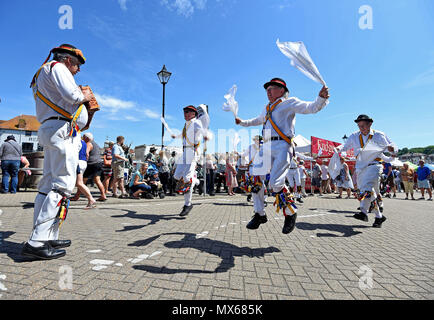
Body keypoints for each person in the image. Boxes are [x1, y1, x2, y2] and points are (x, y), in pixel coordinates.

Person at [22, 44, 93, 259]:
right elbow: (72, 96)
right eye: (78, 65)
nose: (78, 70)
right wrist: (86, 95)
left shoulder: (43, 71)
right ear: (69, 60)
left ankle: (48, 234)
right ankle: (37, 241)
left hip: (53, 128)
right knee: (62, 184)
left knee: (48, 183)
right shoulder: (58, 67)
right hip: (62, 130)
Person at [235, 77, 329, 234]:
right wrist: (242, 122)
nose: (268, 92)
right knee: (254, 178)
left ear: (282, 90)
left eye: (271, 89)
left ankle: (291, 212)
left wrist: (321, 98)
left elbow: (311, 108)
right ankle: (259, 214)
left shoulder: (289, 102)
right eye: (267, 90)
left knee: (276, 183)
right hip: (266, 146)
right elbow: (257, 120)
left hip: (282, 145)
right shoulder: (266, 108)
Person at [336, 114, 396, 228]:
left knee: (368, 188)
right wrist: (338, 148)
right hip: (360, 168)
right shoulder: (354, 136)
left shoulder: (379, 135)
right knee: (368, 192)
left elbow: (391, 146)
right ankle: (379, 216)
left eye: (363, 125)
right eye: (359, 126)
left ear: (370, 124)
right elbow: (345, 146)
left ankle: (363, 212)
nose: (361, 128)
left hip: (374, 166)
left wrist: (392, 151)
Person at [171, 105, 208, 216]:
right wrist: (176, 136)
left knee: (187, 179)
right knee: (177, 176)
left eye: (188, 112)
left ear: (193, 113)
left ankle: (188, 204)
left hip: (193, 151)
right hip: (185, 152)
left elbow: (203, 127)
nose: (185, 114)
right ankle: (197, 182)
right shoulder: (186, 125)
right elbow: (184, 135)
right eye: (184, 112)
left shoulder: (196, 122)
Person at [72, 133, 107, 202]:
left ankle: (77, 196)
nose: (82, 138)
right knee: (97, 180)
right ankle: (103, 195)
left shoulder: (88, 144)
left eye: (84, 137)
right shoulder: (96, 144)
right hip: (98, 163)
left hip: (91, 164)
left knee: (82, 181)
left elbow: (86, 153)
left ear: (87, 138)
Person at [70, 136, 97, 208]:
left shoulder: (74, 141)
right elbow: (86, 154)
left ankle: (91, 199)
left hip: (77, 162)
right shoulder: (84, 143)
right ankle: (90, 199)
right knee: (79, 183)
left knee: (78, 183)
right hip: (83, 162)